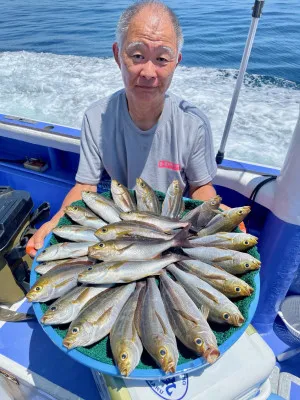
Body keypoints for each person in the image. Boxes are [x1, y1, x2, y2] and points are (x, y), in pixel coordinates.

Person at [27, 0, 218, 257]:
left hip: (171, 228)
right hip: (115, 228)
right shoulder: (97, 117)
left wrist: (213, 213)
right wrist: (58, 220)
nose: (149, 72)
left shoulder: (193, 124)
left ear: (176, 62)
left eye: (162, 59)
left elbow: (199, 188)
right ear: (118, 55)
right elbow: (85, 185)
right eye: (137, 56)